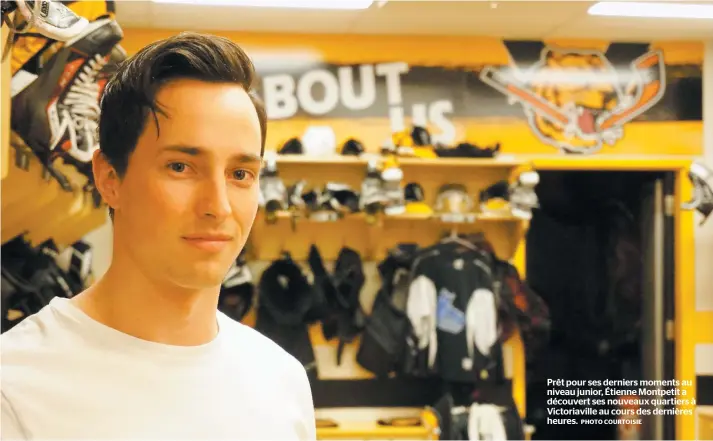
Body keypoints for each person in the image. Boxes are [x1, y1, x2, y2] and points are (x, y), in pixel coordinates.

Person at [1, 32, 317, 440]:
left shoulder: (282, 382)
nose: (218, 206)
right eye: (181, 167)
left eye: (240, 174)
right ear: (109, 177)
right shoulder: (16, 387)